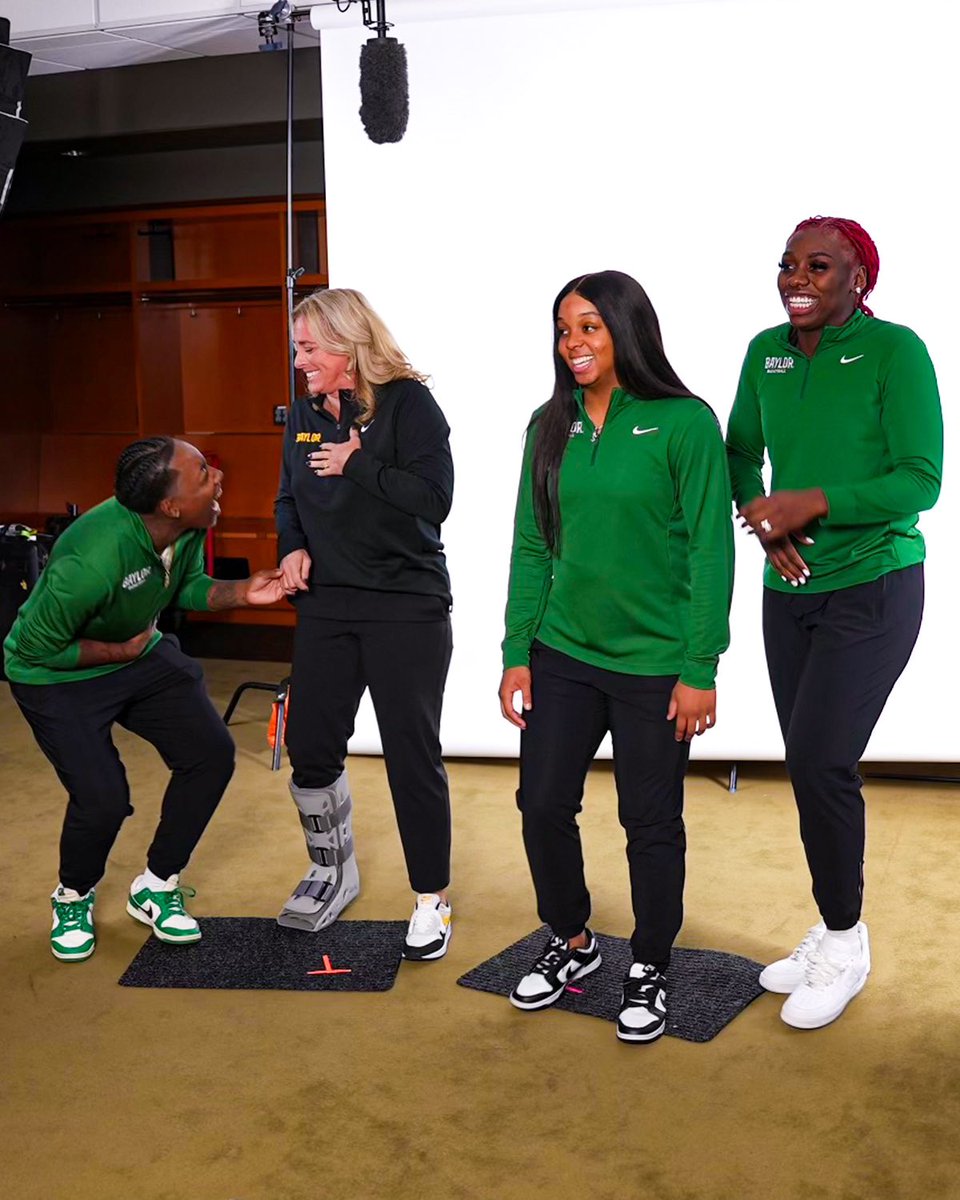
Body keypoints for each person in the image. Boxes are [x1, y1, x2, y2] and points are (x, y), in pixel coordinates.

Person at [499, 270, 734, 1043]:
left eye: (590, 327)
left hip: (655, 665)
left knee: (650, 822)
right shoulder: (547, 424)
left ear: (627, 331)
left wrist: (700, 667)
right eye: (564, 330)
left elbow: (710, 550)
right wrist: (516, 651)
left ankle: (652, 964)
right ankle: (571, 940)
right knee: (540, 805)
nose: (573, 344)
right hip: (563, 652)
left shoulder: (683, 422)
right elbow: (533, 546)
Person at [726, 216, 943, 1029]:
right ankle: (831, 925)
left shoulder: (897, 353)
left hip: (876, 587)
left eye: (820, 266)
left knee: (822, 761)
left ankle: (847, 944)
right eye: (788, 263)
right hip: (791, 591)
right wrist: (764, 517)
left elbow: (920, 481)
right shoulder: (765, 352)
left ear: (860, 278)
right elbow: (739, 448)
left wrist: (814, 501)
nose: (798, 277)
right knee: (809, 762)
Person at [4, 437, 287, 962]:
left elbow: (186, 588)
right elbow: (33, 649)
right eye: (203, 473)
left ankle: (156, 883)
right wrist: (118, 647)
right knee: (103, 799)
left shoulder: (190, 525)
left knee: (209, 754)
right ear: (169, 504)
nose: (217, 478)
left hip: (137, 655)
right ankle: (73, 895)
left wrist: (244, 591)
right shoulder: (92, 557)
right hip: (55, 676)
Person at [275, 288, 455, 961]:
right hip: (327, 602)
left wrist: (360, 463)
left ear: (349, 348)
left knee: (412, 755)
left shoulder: (408, 403)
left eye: (310, 349)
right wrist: (291, 546)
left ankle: (432, 900)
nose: (300, 361)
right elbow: (288, 495)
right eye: (298, 348)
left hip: (404, 602)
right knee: (311, 745)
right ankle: (332, 870)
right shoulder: (300, 413)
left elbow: (435, 500)